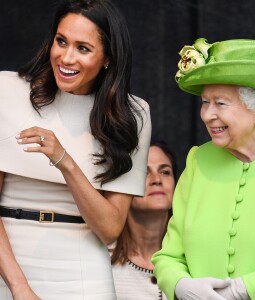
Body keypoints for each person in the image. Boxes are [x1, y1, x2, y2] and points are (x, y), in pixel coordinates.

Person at [0, 0, 151, 299]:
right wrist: (19, 287)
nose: (66, 58)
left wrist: (64, 160)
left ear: (107, 57)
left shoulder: (132, 115)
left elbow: (110, 229)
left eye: (83, 48)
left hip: (82, 272)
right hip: (8, 266)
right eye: (61, 41)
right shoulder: (7, 90)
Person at [152, 37, 255, 300]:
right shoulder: (198, 161)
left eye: (220, 103)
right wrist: (180, 285)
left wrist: (244, 289)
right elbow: (168, 256)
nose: (208, 115)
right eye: (205, 102)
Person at [110, 139, 176, 300]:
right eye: (144, 173)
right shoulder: (103, 260)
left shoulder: (191, 256)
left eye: (165, 172)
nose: (157, 179)